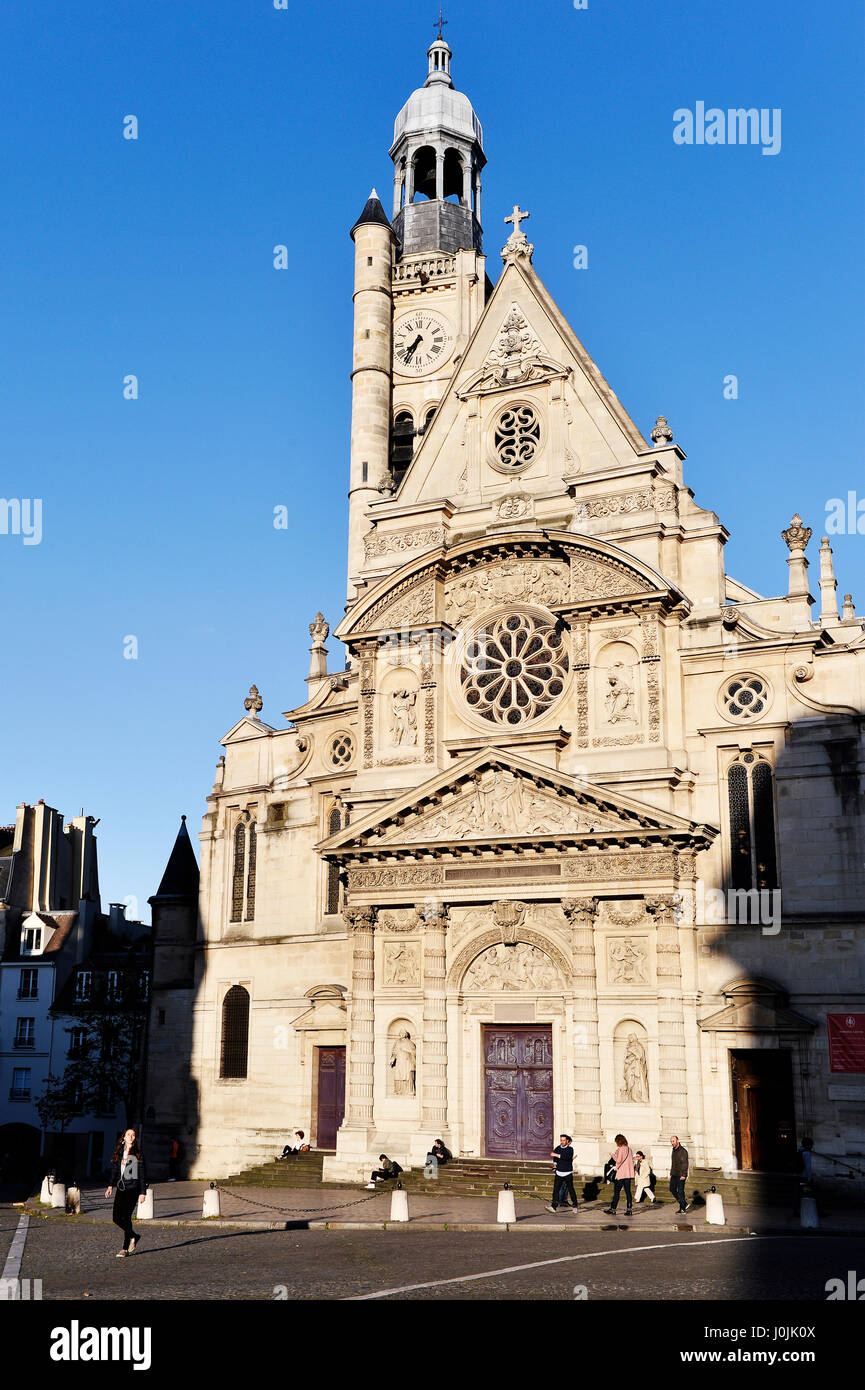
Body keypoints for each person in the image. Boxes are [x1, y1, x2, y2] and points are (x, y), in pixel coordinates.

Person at [105, 1128, 148, 1257]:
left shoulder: (137, 1154)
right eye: (128, 1134)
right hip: (121, 1188)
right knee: (116, 1217)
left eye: (133, 1135)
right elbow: (115, 1170)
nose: (131, 1137)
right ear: (123, 1137)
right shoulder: (118, 1153)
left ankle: (124, 1248)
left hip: (132, 1189)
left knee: (127, 1217)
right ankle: (134, 1236)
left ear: (135, 1138)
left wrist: (142, 1192)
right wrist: (110, 1186)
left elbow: (142, 1174)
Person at [546, 1133, 579, 1213]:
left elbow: (566, 1157)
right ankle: (554, 1207)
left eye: (564, 1140)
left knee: (571, 1189)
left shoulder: (570, 1149)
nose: (562, 1142)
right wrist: (555, 1164)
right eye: (561, 1140)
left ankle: (575, 1205)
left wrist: (556, 1155)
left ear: (567, 1141)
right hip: (559, 1172)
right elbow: (555, 1158)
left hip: (567, 1173)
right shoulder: (558, 1148)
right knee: (556, 1190)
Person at [604, 1134, 635, 1216]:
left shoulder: (621, 1149)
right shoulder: (629, 1149)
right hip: (628, 1174)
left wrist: (613, 1155)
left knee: (617, 1192)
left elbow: (618, 1161)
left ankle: (613, 1209)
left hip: (621, 1174)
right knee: (628, 1192)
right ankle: (629, 1209)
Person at [669, 1135, 689, 1213]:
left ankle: (682, 1208)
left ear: (678, 1141)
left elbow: (685, 1163)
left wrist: (684, 1175)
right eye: (671, 1141)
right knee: (672, 1189)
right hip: (674, 1173)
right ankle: (683, 1203)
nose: (672, 1143)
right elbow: (673, 1163)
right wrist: (671, 1172)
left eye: (673, 1141)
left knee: (680, 1191)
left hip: (681, 1174)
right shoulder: (673, 1150)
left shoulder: (683, 1151)